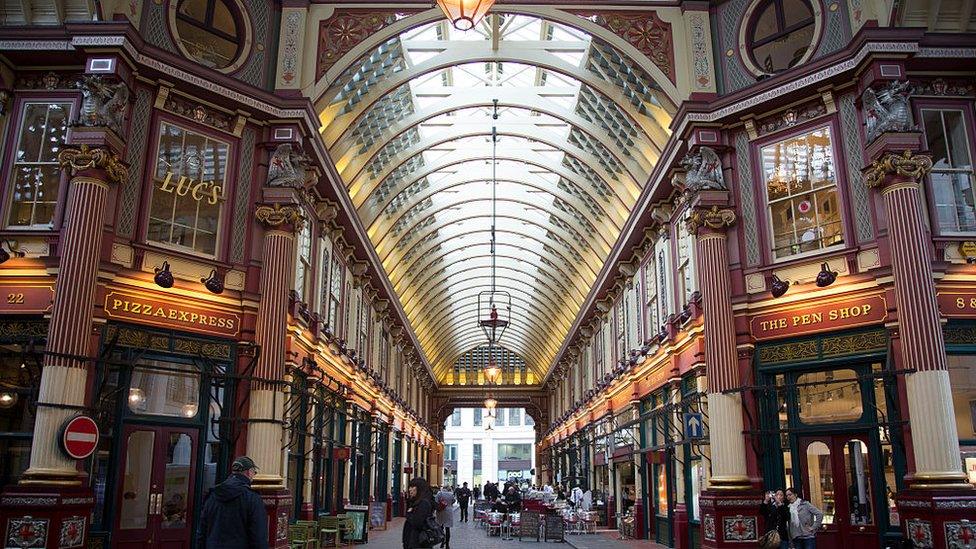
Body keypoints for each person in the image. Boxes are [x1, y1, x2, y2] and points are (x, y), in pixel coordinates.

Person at [195, 456, 268, 549]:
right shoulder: (252, 498)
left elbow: (202, 532)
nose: (253, 476)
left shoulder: (213, 495)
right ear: (249, 472)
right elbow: (258, 536)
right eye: (254, 472)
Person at [403, 477, 435, 549]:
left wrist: (409, 514)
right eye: (409, 487)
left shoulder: (423, 503)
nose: (410, 489)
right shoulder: (415, 502)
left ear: (419, 488)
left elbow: (417, 523)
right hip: (412, 541)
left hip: (418, 542)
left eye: (412, 487)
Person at [435, 485, 456, 549]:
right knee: (447, 529)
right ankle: (447, 544)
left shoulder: (439, 493)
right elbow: (453, 501)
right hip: (448, 512)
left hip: (440, 511)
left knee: (440, 528)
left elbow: (436, 501)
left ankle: (442, 542)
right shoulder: (451, 494)